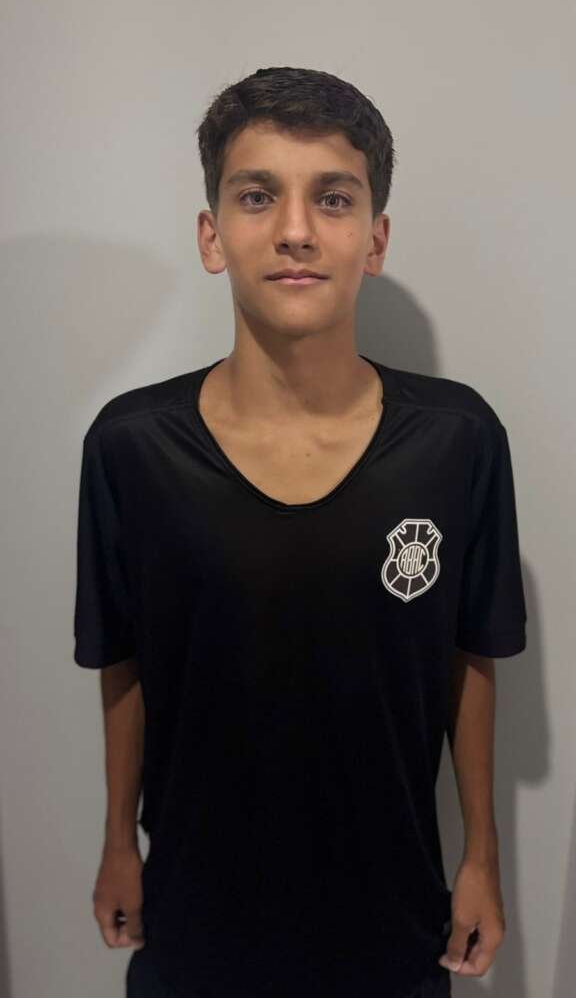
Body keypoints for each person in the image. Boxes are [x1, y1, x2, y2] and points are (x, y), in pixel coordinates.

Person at [73, 67, 527, 998]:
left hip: (393, 923)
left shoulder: (456, 441)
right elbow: (122, 659)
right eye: (256, 196)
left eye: (333, 197)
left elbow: (471, 657)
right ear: (211, 235)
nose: (295, 230)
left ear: (376, 238)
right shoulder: (131, 447)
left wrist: (481, 855)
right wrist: (119, 840)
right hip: (194, 916)